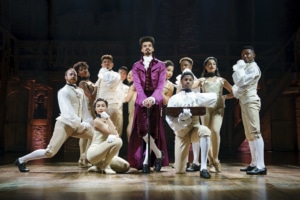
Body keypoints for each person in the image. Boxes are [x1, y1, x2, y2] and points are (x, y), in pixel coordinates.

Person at [14, 68, 93, 172]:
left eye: (74, 74)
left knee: (95, 134)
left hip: (77, 124)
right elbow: (67, 111)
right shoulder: (63, 91)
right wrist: (80, 124)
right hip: (65, 124)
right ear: (66, 77)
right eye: (71, 74)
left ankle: (86, 158)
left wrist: (87, 122)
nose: (73, 76)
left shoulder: (80, 91)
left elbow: (84, 109)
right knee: (50, 152)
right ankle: (21, 160)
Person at [128, 36, 169, 173]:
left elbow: (160, 85)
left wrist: (153, 98)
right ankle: (158, 154)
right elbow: (138, 85)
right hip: (141, 100)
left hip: (155, 100)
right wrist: (144, 99)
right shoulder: (136, 66)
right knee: (142, 130)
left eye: (149, 45)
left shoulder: (160, 65)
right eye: (144, 45)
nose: (147, 47)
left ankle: (147, 161)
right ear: (141, 49)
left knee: (153, 130)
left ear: (153, 48)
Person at [165, 70, 217, 178]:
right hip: (181, 133)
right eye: (185, 80)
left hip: (194, 129)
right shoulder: (175, 98)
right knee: (179, 170)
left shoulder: (197, 96)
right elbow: (169, 117)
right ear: (181, 82)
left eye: (190, 80)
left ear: (193, 82)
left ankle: (203, 167)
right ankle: (182, 164)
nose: (188, 82)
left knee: (205, 131)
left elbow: (213, 98)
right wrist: (181, 120)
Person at [232, 46, 267, 175]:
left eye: (248, 54)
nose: (245, 56)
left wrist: (237, 88)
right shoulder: (243, 67)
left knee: (255, 132)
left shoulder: (253, 67)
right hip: (244, 102)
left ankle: (261, 165)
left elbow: (241, 83)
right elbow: (237, 82)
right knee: (249, 134)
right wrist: (237, 87)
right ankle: (253, 163)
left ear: (254, 55)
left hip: (251, 100)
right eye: (243, 54)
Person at [196, 57, 233, 173]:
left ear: (216, 66)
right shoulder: (202, 80)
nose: (211, 66)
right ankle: (211, 162)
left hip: (218, 108)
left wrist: (225, 97)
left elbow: (234, 91)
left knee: (215, 131)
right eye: (209, 64)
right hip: (205, 108)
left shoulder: (221, 80)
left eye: (213, 64)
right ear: (205, 67)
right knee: (207, 133)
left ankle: (216, 159)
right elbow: (190, 85)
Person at [86, 98, 130, 174]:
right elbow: (114, 134)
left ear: (106, 108)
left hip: (104, 155)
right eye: (98, 106)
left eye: (103, 106)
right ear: (95, 109)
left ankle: (98, 166)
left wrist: (107, 119)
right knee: (118, 141)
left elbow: (116, 133)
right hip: (94, 153)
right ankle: (106, 166)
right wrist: (107, 117)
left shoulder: (107, 121)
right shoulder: (97, 121)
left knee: (126, 166)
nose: (100, 108)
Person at [175, 57, 201, 172]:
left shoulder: (194, 80)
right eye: (182, 66)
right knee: (182, 135)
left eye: (187, 65)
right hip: (182, 110)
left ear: (191, 66)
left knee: (195, 136)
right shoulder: (180, 79)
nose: (184, 68)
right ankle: (183, 161)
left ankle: (196, 161)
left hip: (193, 110)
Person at [73, 61, 97, 168]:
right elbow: (91, 97)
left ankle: (81, 158)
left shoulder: (89, 82)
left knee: (86, 133)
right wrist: (97, 88)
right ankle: (85, 157)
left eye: (85, 68)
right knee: (91, 133)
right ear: (78, 74)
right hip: (87, 109)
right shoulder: (82, 84)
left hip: (91, 108)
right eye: (81, 70)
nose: (85, 70)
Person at [95, 55, 123, 136]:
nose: (106, 63)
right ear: (101, 64)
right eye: (104, 62)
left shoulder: (115, 75)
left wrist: (102, 71)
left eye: (109, 62)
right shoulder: (100, 76)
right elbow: (97, 91)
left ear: (112, 65)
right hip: (100, 106)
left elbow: (110, 83)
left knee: (113, 130)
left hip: (111, 104)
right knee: (102, 132)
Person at [123, 70, 137, 141]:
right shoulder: (132, 86)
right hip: (132, 111)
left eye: (132, 75)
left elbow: (126, 99)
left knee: (130, 131)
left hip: (134, 111)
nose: (129, 76)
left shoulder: (133, 86)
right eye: (129, 74)